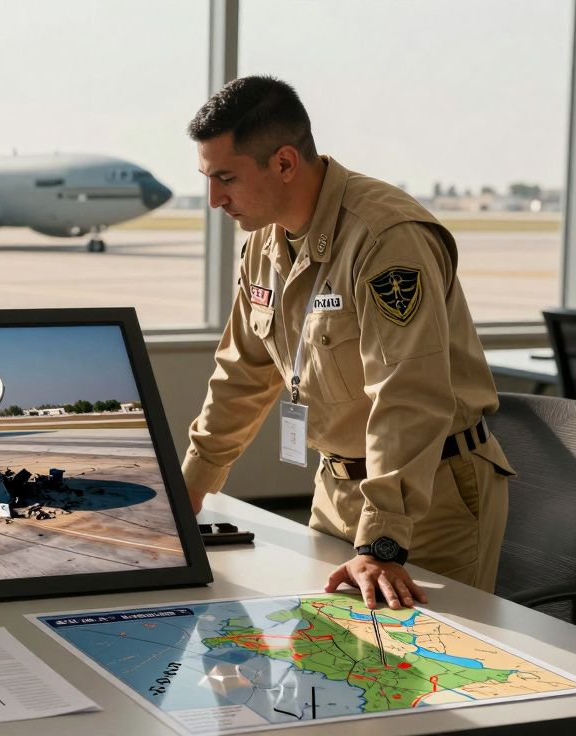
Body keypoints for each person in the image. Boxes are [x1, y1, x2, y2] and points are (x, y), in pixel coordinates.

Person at [181, 76, 514, 610]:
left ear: (285, 163)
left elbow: (409, 393)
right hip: (336, 489)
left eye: (226, 178)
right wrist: (189, 491)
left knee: (428, 678)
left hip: (428, 498)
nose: (215, 199)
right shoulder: (263, 243)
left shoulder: (385, 237)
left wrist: (382, 541)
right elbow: (242, 372)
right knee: (329, 667)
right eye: (207, 178)